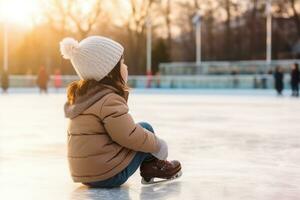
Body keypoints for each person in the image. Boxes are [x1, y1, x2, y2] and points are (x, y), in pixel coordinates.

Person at [60, 36, 181, 188]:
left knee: (140, 132)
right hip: (107, 174)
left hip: (83, 174)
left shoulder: (83, 98)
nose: (126, 67)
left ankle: (151, 167)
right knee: (145, 128)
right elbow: (129, 135)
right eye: (122, 63)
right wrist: (158, 145)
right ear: (109, 71)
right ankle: (154, 167)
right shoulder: (108, 99)